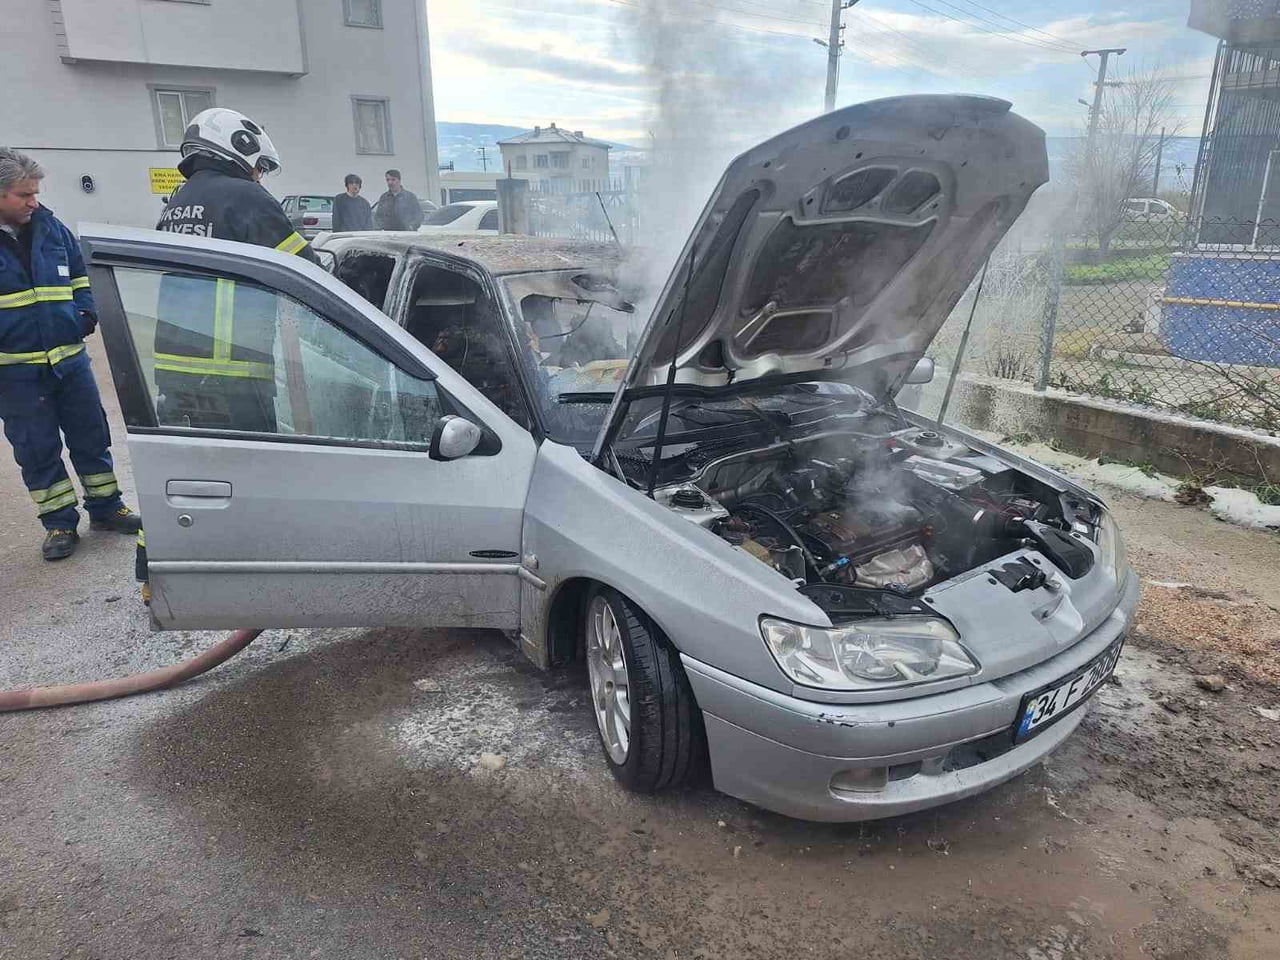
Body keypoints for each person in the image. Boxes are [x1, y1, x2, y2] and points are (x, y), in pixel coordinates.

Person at [0, 148, 142, 560]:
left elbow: (81, 273)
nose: (34, 202)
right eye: (23, 194)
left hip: (70, 361)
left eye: (35, 193)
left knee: (91, 435)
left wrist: (87, 311)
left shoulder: (50, 228)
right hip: (16, 375)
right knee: (37, 448)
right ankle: (60, 523)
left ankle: (106, 507)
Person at [154, 106, 320, 435]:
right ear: (238, 149)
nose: (259, 176)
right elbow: (307, 272)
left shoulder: (177, 202)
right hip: (233, 375)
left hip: (174, 372)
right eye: (260, 167)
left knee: (203, 473)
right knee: (255, 475)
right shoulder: (245, 196)